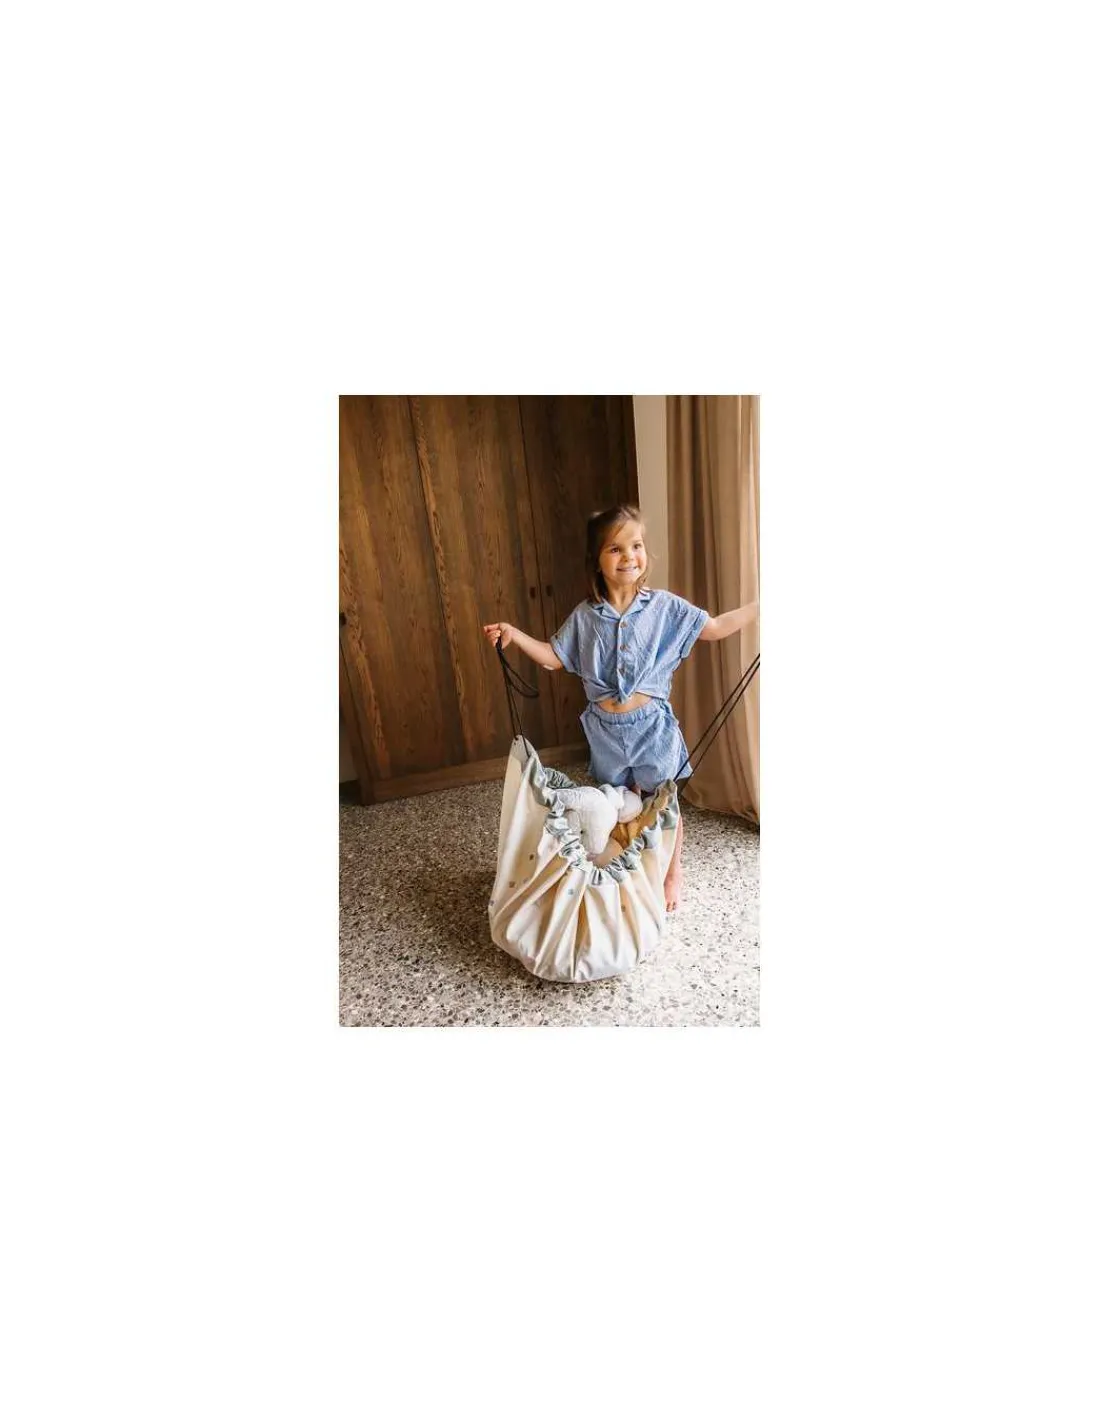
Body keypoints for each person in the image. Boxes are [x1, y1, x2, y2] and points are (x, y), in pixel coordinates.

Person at [482, 504, 758, 912]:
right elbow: (554, 657)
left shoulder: (664, 607)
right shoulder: (585, 617)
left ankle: (672, 871)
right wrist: (514, 635)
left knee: (663, 803)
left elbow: (714, 628)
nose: (629, 556)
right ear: (597, 560)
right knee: (616, 805)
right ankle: (626, 866)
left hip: (651, 728)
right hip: (605, 730)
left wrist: (761, 607)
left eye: (636, 546)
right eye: (615, 548)